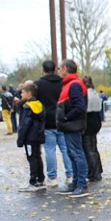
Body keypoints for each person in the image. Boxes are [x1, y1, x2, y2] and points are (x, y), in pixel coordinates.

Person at [35, 60, 73, 188]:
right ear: (56, 69)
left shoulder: (38, 84)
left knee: (49, 150)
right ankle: (70, 175)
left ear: (43, 69)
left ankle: (52, 177)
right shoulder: (63, 83)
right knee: (65, 149)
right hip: (62, 119)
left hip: (47, 120)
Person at [56, 60, 89, 198]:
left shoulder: (74, 85)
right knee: (72, 153)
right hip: (71, 125)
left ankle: (81, 184)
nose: (59, 71)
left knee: (76, 153)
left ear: (65, 68)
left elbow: (79, 106)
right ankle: (76, 183)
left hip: (72, 125)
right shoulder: (71, 84)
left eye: (60, 68)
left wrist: (66, 117)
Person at [16, 81, 46, 192]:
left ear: (29, 94)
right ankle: (41, 179)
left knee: (32, 158)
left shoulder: (27, 107)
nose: (21, 94)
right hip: (37, 136)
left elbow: (24, 125)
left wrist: (20, 139)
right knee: (37, 157)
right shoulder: (39, 105)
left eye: (23, 92)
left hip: (29, 138)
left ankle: (33, 181)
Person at [83, 75, 104, 182]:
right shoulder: (95, 93)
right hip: (95, 121)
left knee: (88, 148)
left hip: (88, 122)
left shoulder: (86, 94)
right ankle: (98, 170)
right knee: (93, 147)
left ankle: (94, 172)